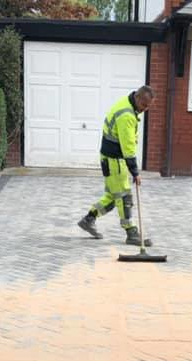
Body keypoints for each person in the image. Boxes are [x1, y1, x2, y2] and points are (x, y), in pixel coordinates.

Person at [78, 86, 155, 246]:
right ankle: (132, 233)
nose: (145, 109)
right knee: (124, 196)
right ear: (138, 98)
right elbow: (128, 147)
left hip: (110, 158)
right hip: (114, 160)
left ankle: (88, 220)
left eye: (148, 106)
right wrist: (135, 172)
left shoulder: (127, 104)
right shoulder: (127, 115)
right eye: (144, 105)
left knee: (113, 197)